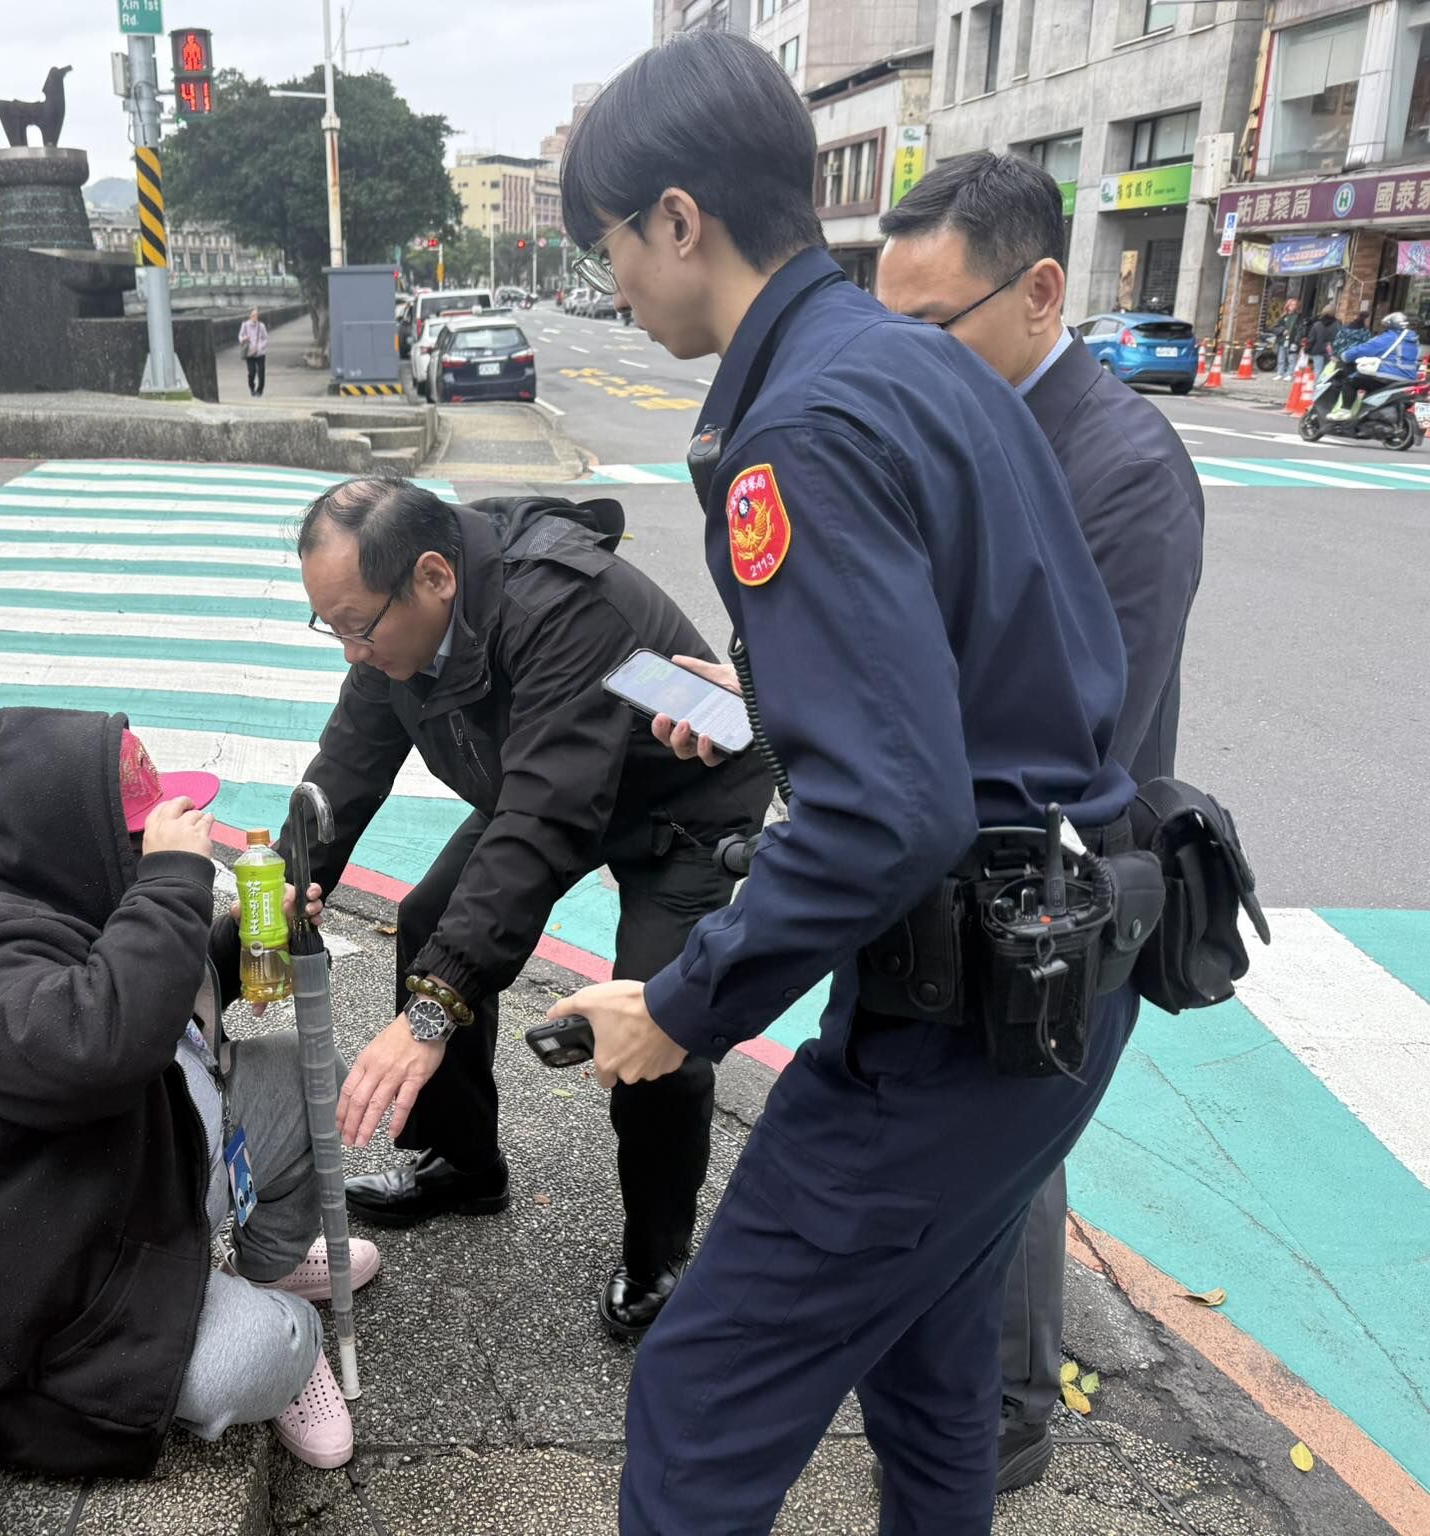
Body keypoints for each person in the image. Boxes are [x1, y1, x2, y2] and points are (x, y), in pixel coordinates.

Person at [551, 31, 1137, 1534]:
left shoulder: (797, 426)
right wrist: (795, 699)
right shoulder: (921, 373)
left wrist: (678, 1006)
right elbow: (1006, 678)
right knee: (934, 1382)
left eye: (608, 243)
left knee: (699, 1397)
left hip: (962, 1011)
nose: (611, 281)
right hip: (1062, 972)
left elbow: (894, 811)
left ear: (678, 219)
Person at [875, 150, 1206, 1495]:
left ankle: (1007, 1417)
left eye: (928, 328)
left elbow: (1071, 744)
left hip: (1042, 895)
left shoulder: (1124, 467)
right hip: (925, 873)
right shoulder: (942, 432)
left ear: (1041, 291)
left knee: (1005, 1170)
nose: (900, 362)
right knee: (954, 1165)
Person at [0, 709, 380, 1478]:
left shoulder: (49, 882)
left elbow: (137, 988)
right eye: (137, 841)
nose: (153, 851)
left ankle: (262, 1268)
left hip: (98, 1178)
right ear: (76, 841)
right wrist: (174, 885)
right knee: (268, 1350)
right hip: (31, 1275)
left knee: (295, 1072)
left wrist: (236, 938)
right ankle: (281, 1334)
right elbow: (98, 1047)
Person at [290, 476, 772, 1338]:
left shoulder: (559, 606)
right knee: (434, 920)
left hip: (678, 800)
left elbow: (545, 821)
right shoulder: (393, 633)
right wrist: (297, 874)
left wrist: (433, 1011)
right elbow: (350, 761)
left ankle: (658, 1251)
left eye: (357, 627)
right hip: (543, 775)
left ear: (434, 577)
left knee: (658, 1014)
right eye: (330, 629)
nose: (350, 652)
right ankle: (467, 1164)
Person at [1332, 309, 1420, 418]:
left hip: (1387, 377)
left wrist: (1345, 356)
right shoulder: (1414, 340)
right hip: (1409, 380)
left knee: (1351, 381)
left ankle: (1344, 412)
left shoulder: (1389, 337)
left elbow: (1365, 349)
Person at [239, 307, 270, 397]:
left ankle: (259, 390)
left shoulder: (261, 326)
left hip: (260, 353)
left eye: (256, 315)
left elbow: (266, 339)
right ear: (250, 316)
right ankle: (252, 388)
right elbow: (240, 336)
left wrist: (260, 347)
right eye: (253, 315)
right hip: (249, 353)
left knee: (261, 373)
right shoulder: (245, 325)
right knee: (251, 373)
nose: (255, 317)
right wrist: (244, 338)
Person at [1272, 296, 1304, 376]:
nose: (1292, 306)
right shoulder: (1283, 317)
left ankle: (1289, 374)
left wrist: (1296, 342)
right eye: (1291, 304)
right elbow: (1275, 327)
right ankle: (1280, 373)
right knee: (1281, 358)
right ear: (1287, 306)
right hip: (1282, 340)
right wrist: (1282, 331)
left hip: (1292, 341)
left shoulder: (1299, 318)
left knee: (1291, 358)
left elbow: (1300, 331)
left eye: (1294, 305)